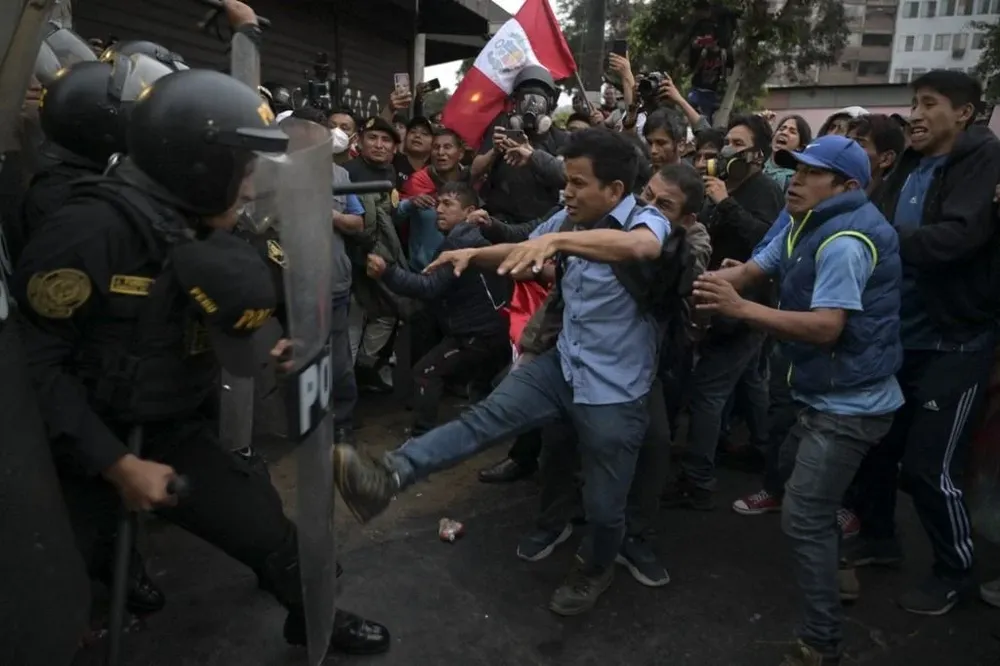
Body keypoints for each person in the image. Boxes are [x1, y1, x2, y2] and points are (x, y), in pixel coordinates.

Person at [12, 68, 389, 656]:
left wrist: (277, 341)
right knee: (55, 589)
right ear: (198, 166)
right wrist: (115, 464)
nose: (248, 189)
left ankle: (311, 614)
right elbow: (34, 372)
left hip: (172, 422)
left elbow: (247, 297)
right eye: (242, 172)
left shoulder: (206, 222)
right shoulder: (86, 233)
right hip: (78, 437)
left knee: (265, 527)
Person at [334, 129, 670, 616]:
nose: (567, 193)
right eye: (566, 182)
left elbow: (641, 249)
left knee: (603, 506)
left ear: (615, 190)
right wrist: (472, 255)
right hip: (562, 364)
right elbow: (525, 250)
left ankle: (596, 568)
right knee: (481, 420)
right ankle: (387, 477)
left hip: (615, 392)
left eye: (578, 183)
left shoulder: (647, 219)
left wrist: (559, 240)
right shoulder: (566, 219)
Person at [694, 134, 903, 666]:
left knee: (804, 514)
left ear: (847, 187)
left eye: (811, 174)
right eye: (794, 170)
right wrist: (710, 283)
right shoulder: (801, 218)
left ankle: (821, 643)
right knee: (792, 476)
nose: (795, 181)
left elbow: (827, 327)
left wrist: (739, 309)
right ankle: (838, 564)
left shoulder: (844, 242)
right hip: (817, 391)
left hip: (849, 405)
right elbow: (758, 265)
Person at [848, 71, 1000, 615]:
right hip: (899, 334)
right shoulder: (909, 164)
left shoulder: (983, 162)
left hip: (954, 339)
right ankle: (880, 540)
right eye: (913, 102)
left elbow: (957, 239)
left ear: (964, 113)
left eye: (929, 103)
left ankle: (955, 570)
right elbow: (873, 222)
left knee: (930, 466)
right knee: (878, 447)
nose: (914, 113)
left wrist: (882, 243)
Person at [367, 181, 509, 434]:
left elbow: (429, 286)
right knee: (481, 384)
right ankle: (485, 432)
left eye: (448, 204)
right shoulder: (464, 238)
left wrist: (386, 272)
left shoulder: (460, 243)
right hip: (489, 328)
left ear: (469, 211)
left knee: (426, 372)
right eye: (438, 203)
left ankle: (422, 437)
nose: (439, 210)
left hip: (477, 332)